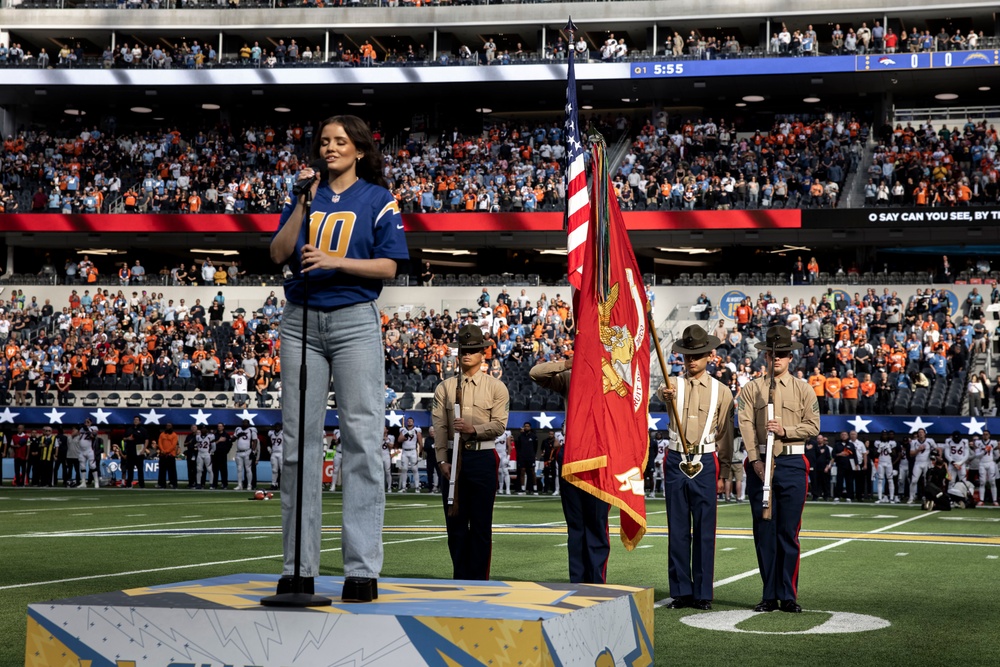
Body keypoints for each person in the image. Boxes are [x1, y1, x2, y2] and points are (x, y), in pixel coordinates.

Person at [270, 114, 409, 602]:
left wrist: (335, 261)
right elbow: (278, 252)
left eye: (340, 141)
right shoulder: (305, 194)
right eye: (324, 140)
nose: (330, 148)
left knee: (362, 440)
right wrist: (301, 205)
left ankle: (362, 569)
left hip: (353, 318)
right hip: (299, 319)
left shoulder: (377, 198)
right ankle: (297, 567)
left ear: (359, 149)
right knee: (298, 445)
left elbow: (390, 266)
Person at [738, 325, 820, 614]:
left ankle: (788, 595)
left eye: (783, 354)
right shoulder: (752, 389)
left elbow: (814, 426)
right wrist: (755, 460)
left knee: (788, 533)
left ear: (790, 358)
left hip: (792, 463)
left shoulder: (804, 389)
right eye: (773, 353)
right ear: (766, 356)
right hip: (760, 463)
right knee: (764, 532)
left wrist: (786, 429)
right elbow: (745, 425)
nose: (777, 359)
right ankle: (768, 594)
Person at [656, 326, 734, 609]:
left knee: (704, 531)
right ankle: (681, 592)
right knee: (677, 530)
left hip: (706, 460)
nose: (692, 360)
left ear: (709, 356)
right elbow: (660, 394)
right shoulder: (670, 384)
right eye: (688, 355)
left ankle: (702, 593)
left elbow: (725, 433)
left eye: (697, 355)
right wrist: (665, 395)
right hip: (676, 460)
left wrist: (725, 472)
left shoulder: (722, 391)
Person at [432, 324, 509, 581]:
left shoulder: (496, 388)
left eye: (473, 349)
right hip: (453, 459)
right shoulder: (444, 387)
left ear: (482, 354)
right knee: (454, 526)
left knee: (480, 526)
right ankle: (460, 578)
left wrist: (473, 429)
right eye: (464, 349)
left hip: (482, 457)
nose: (467, 354)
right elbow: (439, 426)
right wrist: (442, 459)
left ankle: (478, 581)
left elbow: (499, 425)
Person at [531, 356, 613, 584]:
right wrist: (566, 365)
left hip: (600, 457)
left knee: (596, 525)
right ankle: (577, 582)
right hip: (574, 455)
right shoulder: (571, 377)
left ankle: (596, 583)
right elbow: (536, 373)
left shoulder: (616, 378)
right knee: (575, 526)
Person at [907, 429, 935, 503]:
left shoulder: (930, 441)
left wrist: (934, 455)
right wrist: (918, 449)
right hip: (918, 463)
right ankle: (911, 497)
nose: (921, 434)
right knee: (914, 480)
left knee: (927, 481)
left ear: (925, 434)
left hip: (927, 463)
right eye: (919, 433)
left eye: (922, 432)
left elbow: (936, 449)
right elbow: (911, 454)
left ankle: (927, 497)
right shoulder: (914, 442)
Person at [122, 415, 150, 488]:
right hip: (130, 451)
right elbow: (124, 438)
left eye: (137, 420)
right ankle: (129, 484)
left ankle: (141, 484)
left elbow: (146, 440)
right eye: (134, 419)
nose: (135, 421)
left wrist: (143, 450)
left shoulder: (143, 430)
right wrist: (128, 438)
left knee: (140, 469)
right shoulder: (129, 429)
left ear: (140, 421)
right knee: (130, 469)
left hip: (139, 451)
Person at [396, 416, 422, 492]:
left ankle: (417, 487)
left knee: (415, 469)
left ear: (413, 422)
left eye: (411, 421)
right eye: (408, 421)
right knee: (404, 469)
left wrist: (420, 453)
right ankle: (403, 487)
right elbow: (399, 440)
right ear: (407, 422)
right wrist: (406, 435)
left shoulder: (417, 430)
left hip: (413, 451)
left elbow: (420, 443)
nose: (409, 422)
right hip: (405, 451)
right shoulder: (403, 430)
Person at [974, 430, 998, 506]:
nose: (985, 436)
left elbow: (997, 454)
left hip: (990, 463)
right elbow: (977, 456)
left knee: (992, 482)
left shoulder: (993, 442)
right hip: (982, 463)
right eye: (984, 434)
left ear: (989, 435)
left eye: (987, 434)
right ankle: (981, 500)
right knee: (982, 482)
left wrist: (993, 459)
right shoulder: (978, 443)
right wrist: (984, 451)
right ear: (982, 435)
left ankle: (995, 500)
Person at [233, 418, 257, 491]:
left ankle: (249, 485)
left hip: (247, 451)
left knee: (248, 469)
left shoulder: (251, 430)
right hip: (239, 452)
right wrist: (238, 435)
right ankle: (240, 485)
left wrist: (253, 451)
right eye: (243, 422)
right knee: (239, 469)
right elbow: (232, 439)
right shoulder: (238, 429)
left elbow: (255, 441)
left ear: (248, 423)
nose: (244, 424)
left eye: (246, 423)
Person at [515, 421, 539, 494]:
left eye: (528, 426)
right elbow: (518, 447)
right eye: (525, 426)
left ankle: (535, 489)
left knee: (532, 472)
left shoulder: (533, 436)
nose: (526, 427)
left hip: (531, 457)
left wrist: (533, 455)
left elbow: (535, 447)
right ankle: (522, 489)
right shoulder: (520, 436)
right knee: (522, 471)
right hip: (522, 457)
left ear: (530, 427)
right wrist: (520, 455)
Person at [874, 430, 897, 503]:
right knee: (880, 480)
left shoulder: (892, 443)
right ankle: (880, 498)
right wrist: (879, 449)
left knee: (890, 480)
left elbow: (894, 455)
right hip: (881, 462)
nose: (884, 436)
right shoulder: (877, 443)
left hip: (889, 463)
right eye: (883, 434)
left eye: (885, 435)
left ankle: (891, 498)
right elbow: (875, 456)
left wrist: (889, 449)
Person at [76, 418, 99, 488]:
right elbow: (78, 435)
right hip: (81, 450)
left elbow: (93, 435)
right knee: (82, 466)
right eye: (85, 421)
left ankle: (96, 482)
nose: (86, 423)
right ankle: (83, 482)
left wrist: (86, 429)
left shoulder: (94, 427)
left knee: (92, 466)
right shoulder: (82, 429)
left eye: (88, 421)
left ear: (91, 422)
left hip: (90, 450)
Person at [156, 423, 179, 489]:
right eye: (167, 426)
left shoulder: (174, 435)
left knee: (172, 471)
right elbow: (159, 443)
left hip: (171, 455)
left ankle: (173, 484)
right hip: (162, 455)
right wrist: (162, 450)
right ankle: (161, 484)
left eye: (169, 426)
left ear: (172, 427)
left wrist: (166, 451)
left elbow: (173, 445)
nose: (168, 427)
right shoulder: (162, 434)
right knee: (162, 471)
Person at [193, 425, 215, 490]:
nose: (203, 430)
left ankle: (211, 484)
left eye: (204, 429)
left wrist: (210, 452)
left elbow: (214, 446)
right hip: (200, 454)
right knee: (199, 469)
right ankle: (198, 484)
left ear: (207, 430)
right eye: (202, 429)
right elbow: (197, 445)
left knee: (209, 469)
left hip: (206, 454)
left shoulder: (210, 436)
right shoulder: (197, 436)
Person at [212, 423, 231, 489]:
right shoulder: (214, 435)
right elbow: (211, 444)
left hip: (223, 454)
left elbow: (230, 444)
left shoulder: (226, 435)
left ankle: (224, 484)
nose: (219, 427)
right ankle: (214, 484)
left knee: (223, 470)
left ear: (223, 427)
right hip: (215, 454)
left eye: (220, 426)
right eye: (218, 426)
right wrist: (219, 440)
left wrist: (226, 451)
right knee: (215, 470)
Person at [269, 423, 284, 491]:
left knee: (282, 470)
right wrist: (269, 448)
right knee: (274, 470)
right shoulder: (271, 433)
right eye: (276, 426)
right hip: (274, 453)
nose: (277, 427)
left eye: (278, 426)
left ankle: (282, 484)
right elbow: (268, 442)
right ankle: (273, 484)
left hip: (281, 453)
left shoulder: (283, 433)